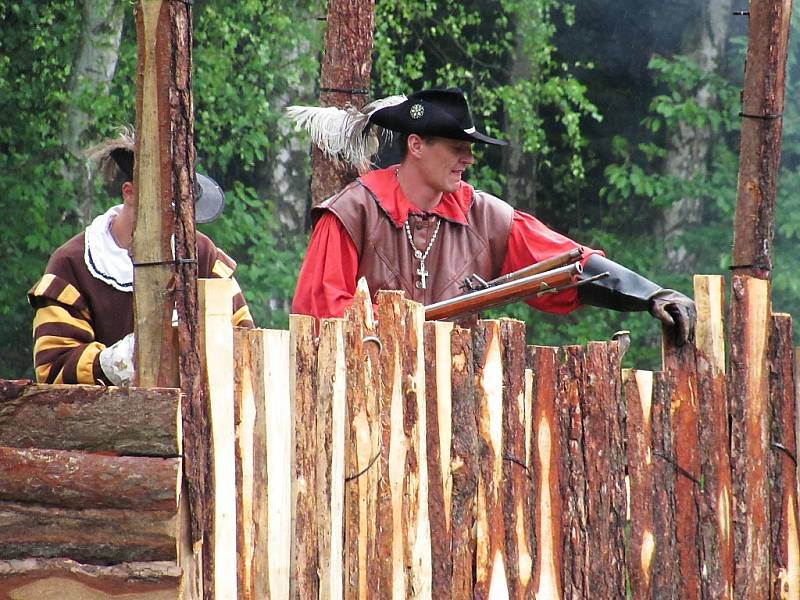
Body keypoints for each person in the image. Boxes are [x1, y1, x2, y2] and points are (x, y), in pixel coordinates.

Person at [287, 88, 695, 344]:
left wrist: (650, 295)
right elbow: (319, 319)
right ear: (415, 144)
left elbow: (569, 266)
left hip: (454, 415)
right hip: (362, 413)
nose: (469, 158)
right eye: (455, 147)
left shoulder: (486, 217)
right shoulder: (351, 213)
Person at [28, 128, 254, 386]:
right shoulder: (71, 264)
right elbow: (53, 368)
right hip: (103, 423)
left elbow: (245, 345)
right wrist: (126, 357)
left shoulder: (202, 254)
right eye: (166, 206)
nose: (176, 220)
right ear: (129, 192)